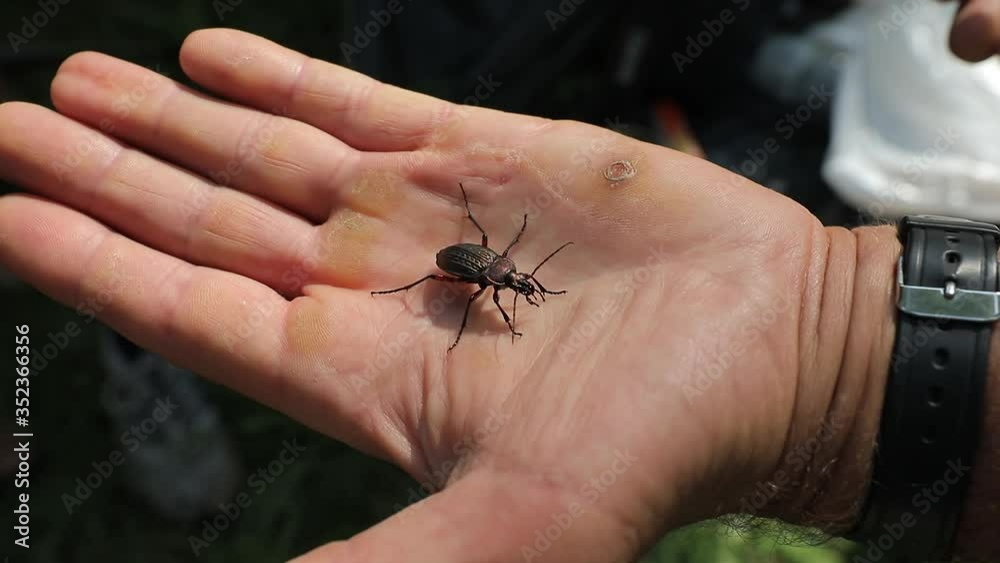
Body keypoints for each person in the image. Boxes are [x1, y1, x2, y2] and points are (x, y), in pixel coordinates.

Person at [0, 6, 998, 560]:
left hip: (464, 258)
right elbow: (468, 266)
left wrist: (833, 356)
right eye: (515, 284)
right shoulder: (475, 276)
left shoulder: (496, 284)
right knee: (452, 271)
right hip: (447, 259)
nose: (514, 287)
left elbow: (492, 273)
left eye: (513, 285)